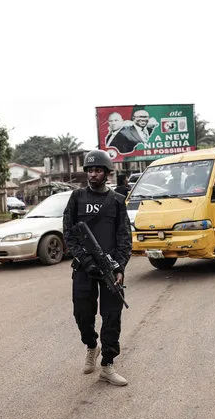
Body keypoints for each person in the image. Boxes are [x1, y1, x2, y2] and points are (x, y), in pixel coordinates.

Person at [63, 149, 132, 386]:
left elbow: (125, 237)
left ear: (106, 173)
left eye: (97, 170)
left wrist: (120, 266)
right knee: (82, 315)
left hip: (110, 269)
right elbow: (69, 234)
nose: (93, 174)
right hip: (84, 269)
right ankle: (92, 345)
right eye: (90, 170)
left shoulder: (117, 202)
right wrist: (86, 260)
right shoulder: (76, 198)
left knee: (112, 317)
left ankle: (107, 365)